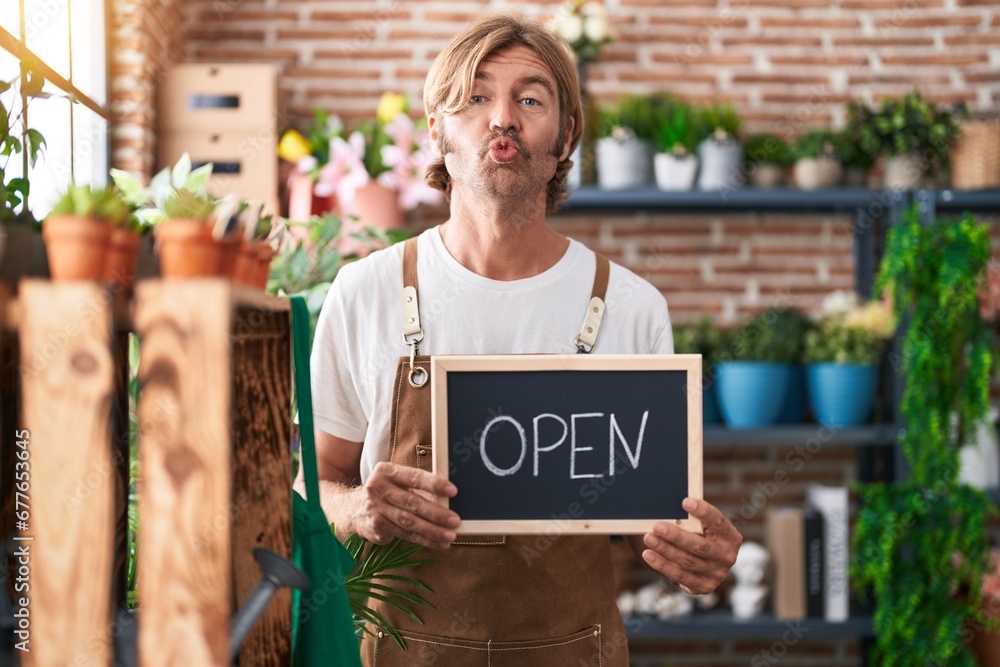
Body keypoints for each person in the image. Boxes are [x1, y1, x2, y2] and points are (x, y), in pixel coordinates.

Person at [300, 12, 742, 666]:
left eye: (530, 99)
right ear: (437, 129)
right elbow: (314, 481)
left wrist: (699, 550)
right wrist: (357, 507)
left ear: (565, 138)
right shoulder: (364, 292)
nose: (502, 117)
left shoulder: (630, 308)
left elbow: (662, 517)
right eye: (476, 97)